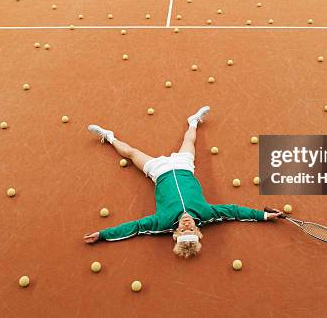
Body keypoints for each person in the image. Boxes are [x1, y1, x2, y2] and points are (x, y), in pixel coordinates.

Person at [83, 106, 282, 259]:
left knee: (131, 152)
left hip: (159, 171)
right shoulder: (207, 214)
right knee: (189, 142)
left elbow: (134, 228)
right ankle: (193, 121)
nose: (187, 226)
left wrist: (103, 235)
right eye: (192, 230)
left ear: (176, 232)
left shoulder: (162, 222)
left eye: (183, 230)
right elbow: (236, 212)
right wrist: (264, 215)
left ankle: (108, 136)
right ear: (198, 230)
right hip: (184, 166)